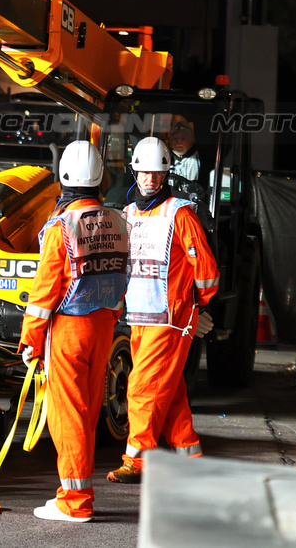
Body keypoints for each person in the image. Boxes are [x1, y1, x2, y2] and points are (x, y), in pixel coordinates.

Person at [19, 141, 129, 522]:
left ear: (63, 176)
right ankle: (71, 493)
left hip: (69, 329)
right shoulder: (117, 221)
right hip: (103, 326)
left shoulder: (61, 226)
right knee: (86, 411)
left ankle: (75, 502)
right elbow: (121, 277)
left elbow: (44, 292)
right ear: (100, 177)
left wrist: (30, 340)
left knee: (66, 415)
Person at [108, 137, 218, 485]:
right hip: (140, 318)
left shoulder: (179, 213)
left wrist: (195, 307)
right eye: (145, 172)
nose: (151, 179)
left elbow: (207, 271)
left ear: (165, 173)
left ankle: (136, 460)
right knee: (166, 391)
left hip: (171, 320)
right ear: (135, 171)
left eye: (157, 173)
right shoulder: (127, 215)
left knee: (142, 388)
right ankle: (191, 455)